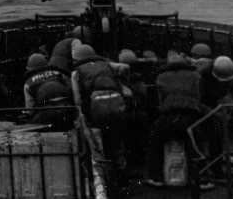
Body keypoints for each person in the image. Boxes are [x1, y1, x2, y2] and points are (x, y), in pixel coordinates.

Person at [144, 50, 205, 195]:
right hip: (190, 116)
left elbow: (160, 102)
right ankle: (201, 179)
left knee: (154, 141)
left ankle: (156, 177)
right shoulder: (195, 76)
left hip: (168, 116)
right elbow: (198, 97)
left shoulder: (161, 77)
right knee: (196, 146)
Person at [70, 44, 130, 181]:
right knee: (117, 136)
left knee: (97, 139)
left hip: (97, 104)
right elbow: (125, 67)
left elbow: (77, 99)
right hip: (117, 101)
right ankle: (121, 170)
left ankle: (103, 176)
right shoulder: (106, 64)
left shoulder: (76, 72)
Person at [22, 51, 74, 129]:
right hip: (68, 109)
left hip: (47, 113)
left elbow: (30, 107)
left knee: (32, 126)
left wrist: (26, 116)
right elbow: (71, 89)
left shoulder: (28, 82)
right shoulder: (59, 73)